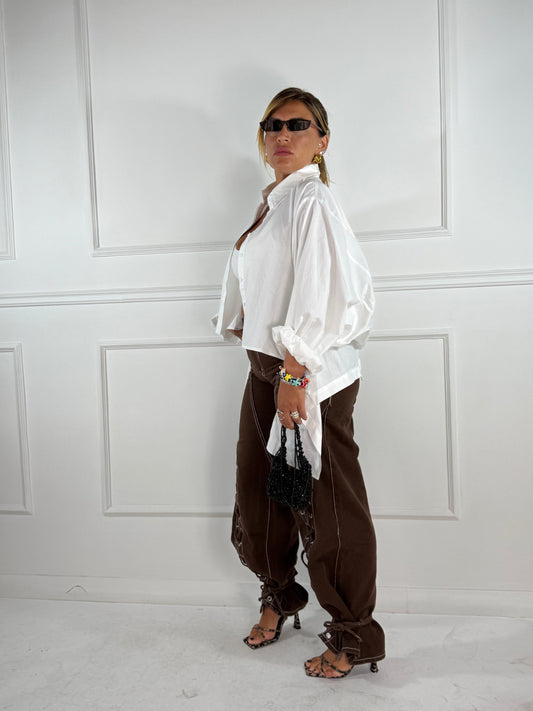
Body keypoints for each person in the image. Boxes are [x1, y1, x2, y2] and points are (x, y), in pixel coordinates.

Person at [213, 87, 385, 679]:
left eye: (298, 125)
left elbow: (323, 292)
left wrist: (294, 370)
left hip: (305, 374)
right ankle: (280, 595)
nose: (282, 135)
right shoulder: (276, 201)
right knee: (261, 492)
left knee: (327, 505)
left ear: (322, 140)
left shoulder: (311, 198)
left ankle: (354, 634)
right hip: (267, 366)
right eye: (272, 125)